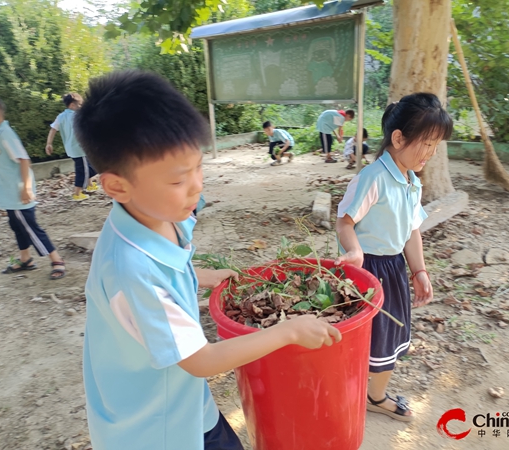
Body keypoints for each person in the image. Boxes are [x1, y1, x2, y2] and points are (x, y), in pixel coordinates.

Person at [74, 70, 342, 450]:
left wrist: (203, 275)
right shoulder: (131, 270)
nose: (198, 185)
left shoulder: (157, 217)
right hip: (154, 430)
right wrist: (289, 331)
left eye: (198, 167)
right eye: (178, 179)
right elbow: (201, 360)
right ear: (117, 186)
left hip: (183, 404)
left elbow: (169, 273)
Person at [334, 93, 453, 422]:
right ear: (398, 138)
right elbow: (345, 221)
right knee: (363, 335)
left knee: (388, 336)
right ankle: (366, 394)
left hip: (393, 269)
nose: (429, 153)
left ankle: (373, 394)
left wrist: (420, 271)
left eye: (435, 146)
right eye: (426, 144)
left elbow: (412, 230)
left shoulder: (411, 181)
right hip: (368, 270)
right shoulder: (373, 178)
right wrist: (354, 250)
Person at [0, 95, 66, 280]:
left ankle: (57, 260)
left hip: (18, 194)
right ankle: (26, 259)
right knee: (17, 226)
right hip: (8, 194)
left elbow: (24, 161)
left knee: (30, 227)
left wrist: (26, 188)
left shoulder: (6, 134)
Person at [46, 93, 98, 201]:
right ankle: (77, 193)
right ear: (72, 105)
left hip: (71, 149)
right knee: (85, 170)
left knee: (86, 166)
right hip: (79, 149)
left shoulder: (61, 116)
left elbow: (53, 129)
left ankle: (89, 184)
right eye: (80, 104)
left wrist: (49, 143)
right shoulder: (78, 116)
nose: (81, 107)